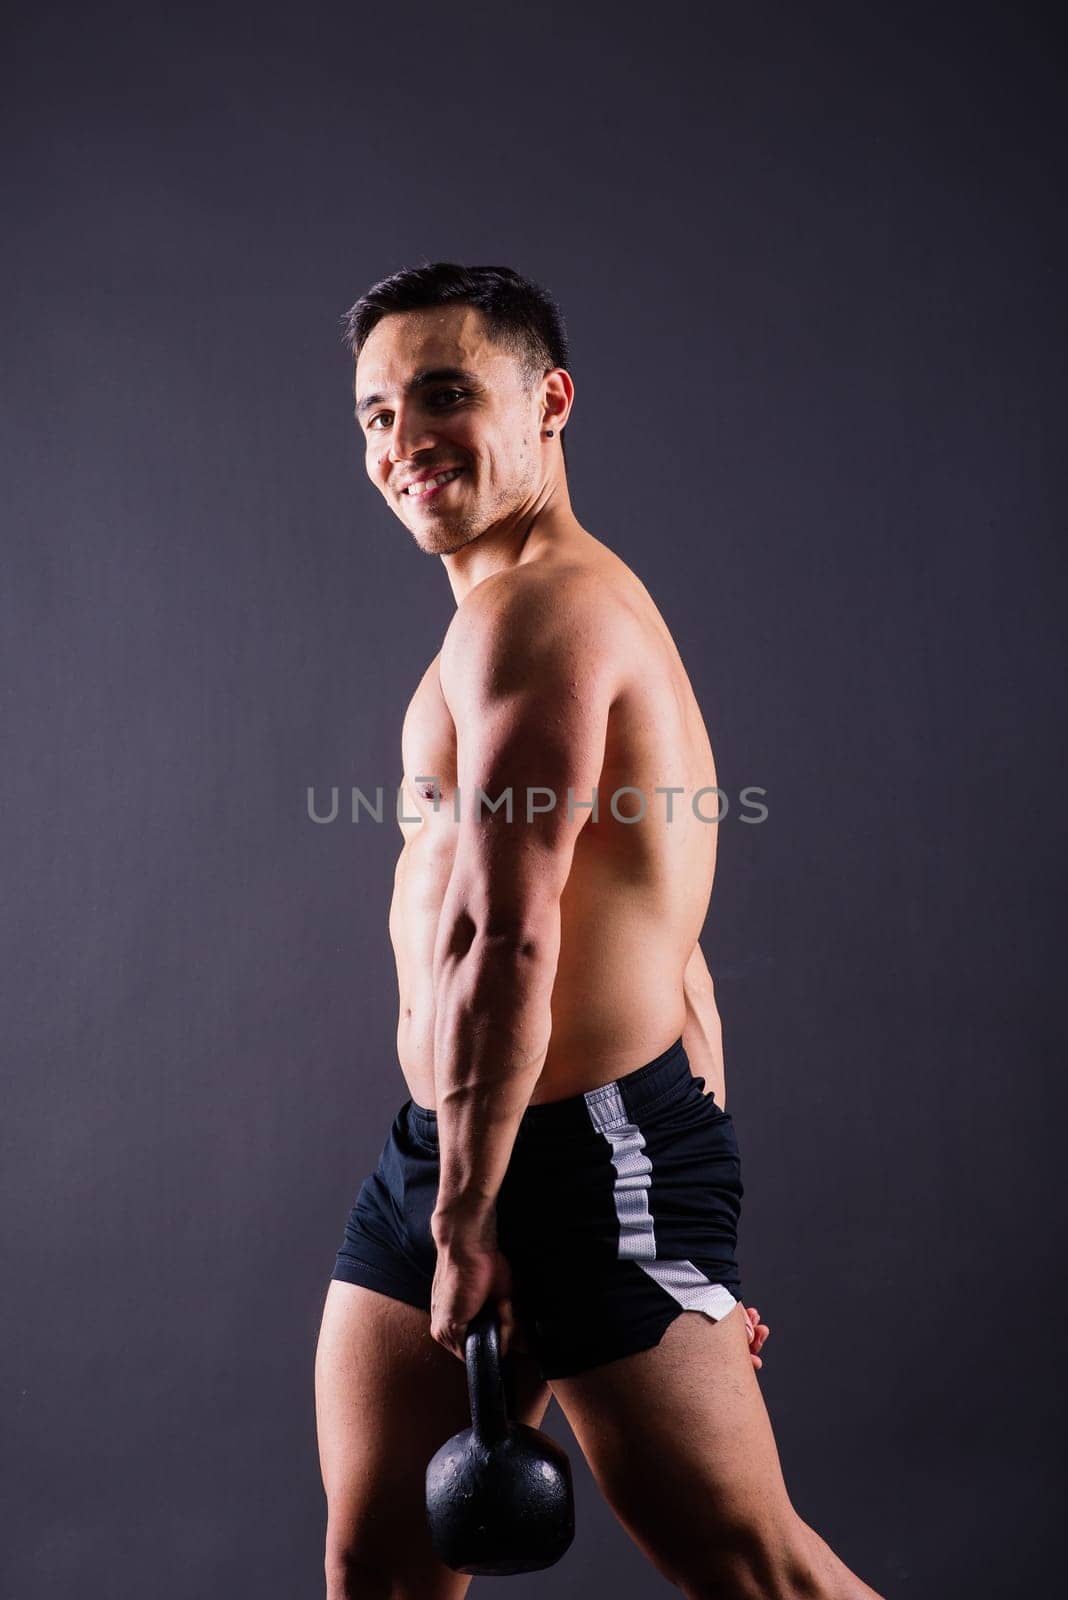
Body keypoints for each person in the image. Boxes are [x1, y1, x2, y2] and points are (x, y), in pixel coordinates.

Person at [314, 263, 882, 1600]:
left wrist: (476, 1220)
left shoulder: (545, 613)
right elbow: (667, 934)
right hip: (455, 1150)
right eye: (376, 413)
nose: (403, 442)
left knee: (754, 1571)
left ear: (549, 401)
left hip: (571, 1163)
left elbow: (507, 941)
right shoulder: (501, 618)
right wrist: (455, 1186)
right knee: (377, 1564)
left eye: (444, 395)